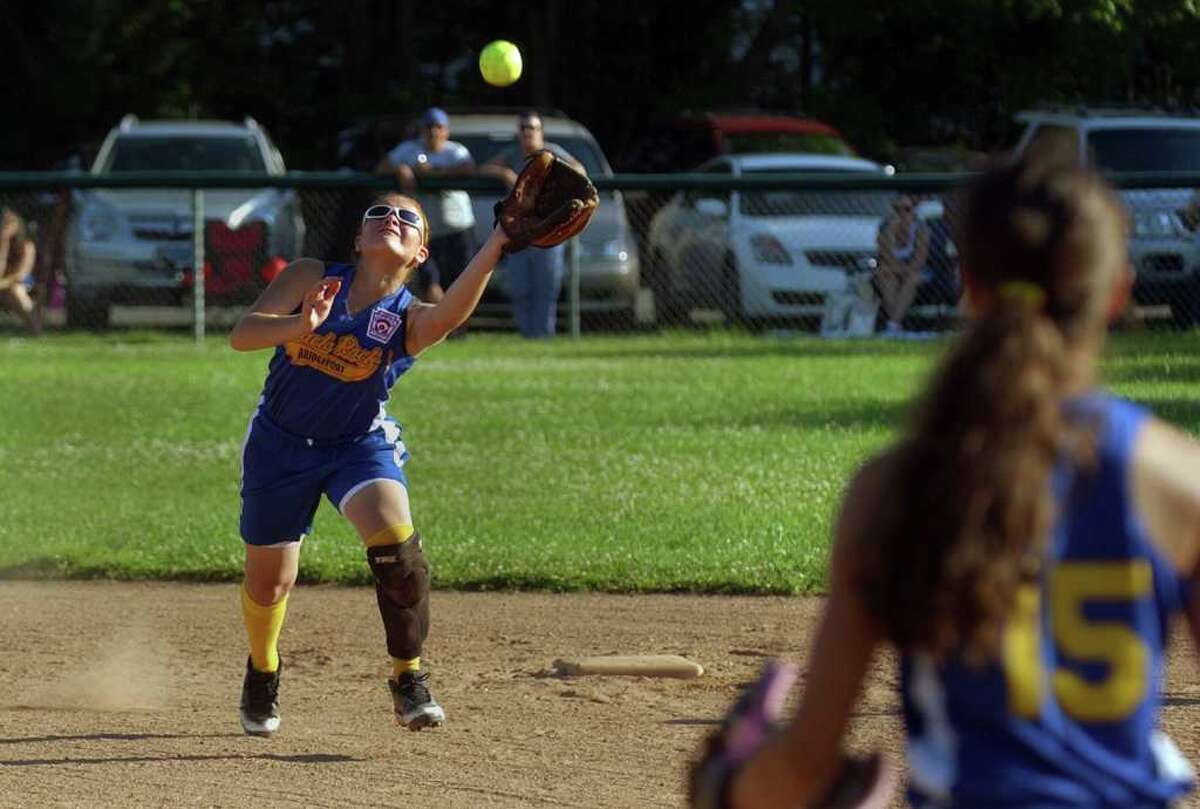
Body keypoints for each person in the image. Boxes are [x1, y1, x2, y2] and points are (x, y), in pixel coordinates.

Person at [703, 152, 1200, 807]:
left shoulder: (896, 488)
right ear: (1117, 292)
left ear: (969, 282)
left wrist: (729, 784)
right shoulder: (1176, 478)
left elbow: (802, 769)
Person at [228, 191, 511, 737]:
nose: (391, 220)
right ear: (359, 240)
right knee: (270, 585)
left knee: (398, 548)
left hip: (358, 444)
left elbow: (452, 311)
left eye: (408, 219)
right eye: (378, 214)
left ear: (419, 254)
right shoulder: (312, 275)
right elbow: (243, 335)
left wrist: (497, 241)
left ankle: (409, 677)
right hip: (279, 443)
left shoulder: (410, 319)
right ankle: (263, 669)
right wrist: (300, 325)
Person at [480, 112, 585, 338]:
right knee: (520, 287)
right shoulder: (512, 154)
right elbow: (483, 168)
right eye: (524, 128)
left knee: (546, 287)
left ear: (541, 132)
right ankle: (526, 334)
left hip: (548, 229)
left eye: (533, 128)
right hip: (519, 230)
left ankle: (544, 335)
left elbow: (580, 170)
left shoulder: (551, 152)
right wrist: (506, 173)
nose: (528, 132)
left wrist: (555, 174)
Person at [374, 108, 477, 296]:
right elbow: (381, 168)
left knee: (463, 286)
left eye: (438, 127)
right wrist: (401, 169)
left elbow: (469, 168)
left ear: (446, 130)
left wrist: (435, 172)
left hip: (458, 230)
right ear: (422, 129)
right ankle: (440, 325)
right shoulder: (410, 149)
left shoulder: (456, 151)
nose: (433, 132)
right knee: (431, 285)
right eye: (429, 127)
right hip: (426, 233)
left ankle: (458, 326)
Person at [873, 193, 930, 337]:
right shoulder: (885, 228)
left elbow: (919, 261)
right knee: (885, 276)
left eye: (907, 209)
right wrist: (891, 234)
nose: (902, 213)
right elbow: (885, 257)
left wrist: (900, 269)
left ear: (913, 210)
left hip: (915, 271)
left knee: (911, 279)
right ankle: (895, 325)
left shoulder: (921, 229)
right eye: (897, 209)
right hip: (893, 270)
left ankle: (892, 324)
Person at [0, 208, 37, 332]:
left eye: (7, 223)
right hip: (3, 282)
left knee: (16, 290)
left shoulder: (27, 245)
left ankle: (34, 328)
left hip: (25, 282)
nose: (4, 226)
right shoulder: (3, 243)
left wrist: (2, 283)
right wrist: (3, 243)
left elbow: (21, 274)